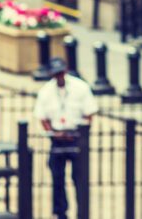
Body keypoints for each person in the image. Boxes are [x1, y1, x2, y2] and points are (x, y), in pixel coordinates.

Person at [33, 57, 97, 219]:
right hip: (57, 137)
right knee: (57, 177)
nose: (59, 77)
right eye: (56, 74)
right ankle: (61, 212)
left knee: (79, 178)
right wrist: (54, 133)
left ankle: (82, 211)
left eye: (61, 73)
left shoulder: (80, 87)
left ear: (66, 71)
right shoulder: (46, 91)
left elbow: (89, 113)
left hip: (76, 136)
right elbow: (42, 117)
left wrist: (81, 133)